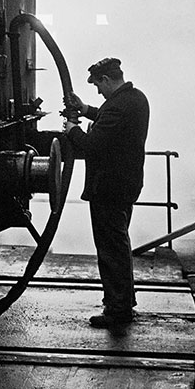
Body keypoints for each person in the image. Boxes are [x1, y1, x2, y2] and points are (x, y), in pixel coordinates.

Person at [64, 57, 150, 334]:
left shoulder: (120, 106)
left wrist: (72, 130)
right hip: (123, 185)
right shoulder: (133, 99)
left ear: (106, 80)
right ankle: (121, 301)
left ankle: (118, 309)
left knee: (111, 249)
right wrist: (84, 109)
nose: (97, 92)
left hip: (109, 188)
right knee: (117, 244)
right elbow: (108, 116)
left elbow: (93, 144)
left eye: (97, 86)